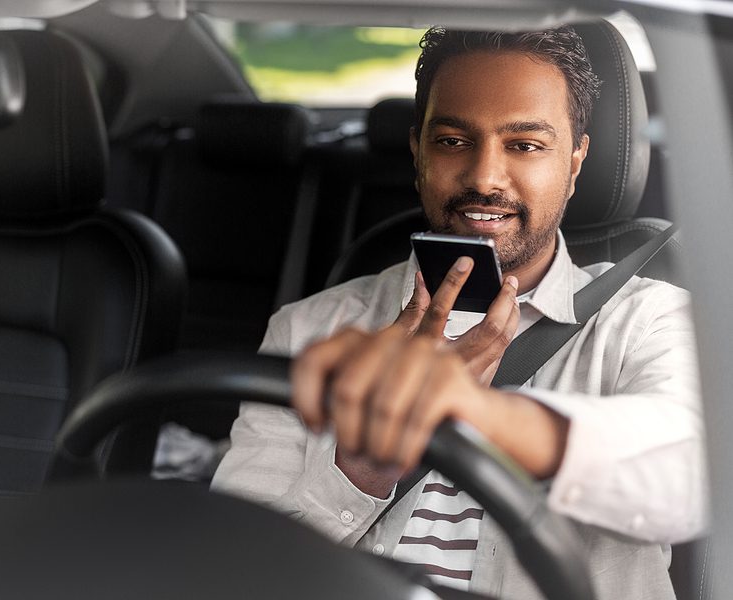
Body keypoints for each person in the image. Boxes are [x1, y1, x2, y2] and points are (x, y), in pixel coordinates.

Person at [212, 25, 705, 599]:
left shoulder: (649, 319)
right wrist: (360, 471)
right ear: (418, 150)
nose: (484, 178)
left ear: (575, 162)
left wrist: (472, 413)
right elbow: (239, 569)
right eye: (452, 141)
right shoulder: (311, 329)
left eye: (525, 145)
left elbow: (694, 474)